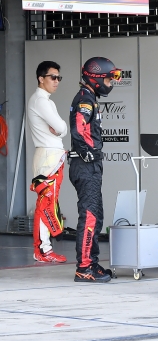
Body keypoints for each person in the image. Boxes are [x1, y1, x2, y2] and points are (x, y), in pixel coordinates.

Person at [69, 57, 122, 283]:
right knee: (90, 216)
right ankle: (83, 268)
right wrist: (86, 153)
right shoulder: (85, 99)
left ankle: (91, 262)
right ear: (96, 78)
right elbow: (77, 128)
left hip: (91, 165)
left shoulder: (90, 98)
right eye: (109, 79)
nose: (111, 83)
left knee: (96, 216)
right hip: (85, 166)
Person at [28, 61, 69, 263]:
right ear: (41, 78)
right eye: (53, 77)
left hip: (50, 156)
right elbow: (62, 127)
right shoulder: (41, 101)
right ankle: (42, 250)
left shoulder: (43, 100)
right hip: (48, 158)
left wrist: (61, 130)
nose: (56, 81)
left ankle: (43, 249)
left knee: (46, 204)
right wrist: (61, 130)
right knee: (46, 204)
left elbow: (61, 129)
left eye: (58, 77)